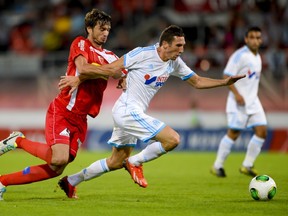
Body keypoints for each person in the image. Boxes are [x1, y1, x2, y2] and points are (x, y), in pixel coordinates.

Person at [56, 24, 245, 198]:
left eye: (183, 45)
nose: (182, 50)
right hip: (127, 110)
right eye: (178, 45)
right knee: (173, 139)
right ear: (164, 44)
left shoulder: (174, 62)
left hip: (131, 113)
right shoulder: (142, 54)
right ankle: (136, 162)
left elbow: (196, 81)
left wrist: (224, 83)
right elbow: (110, 68)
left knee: (116, 161)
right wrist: (79, 79)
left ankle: (71, 181)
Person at [0, 8, 124, 201]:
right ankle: (18, 141)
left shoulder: (109, 55)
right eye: (101, 28)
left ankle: (2, 181)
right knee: (58, 158)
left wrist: (87, 77)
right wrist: (101, 72)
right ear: (89, 29)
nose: (105, 33)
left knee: (56, 168)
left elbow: (119, 72)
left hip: (81, 119)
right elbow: (83, 67)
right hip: (63, 110)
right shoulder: (80, 43)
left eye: (108, 29)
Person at [211, 26, 267, 178]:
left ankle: (247, 165)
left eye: (258, 37)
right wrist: (236, 94)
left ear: (261, 40)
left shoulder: (258, 57)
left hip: (253, 101)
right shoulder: (240, 55)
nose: (255, 40)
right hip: (239, 102)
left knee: (262, 131)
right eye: (252, 37)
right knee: (234, 134)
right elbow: (226, 75)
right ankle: (217, 166)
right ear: (246, 39)